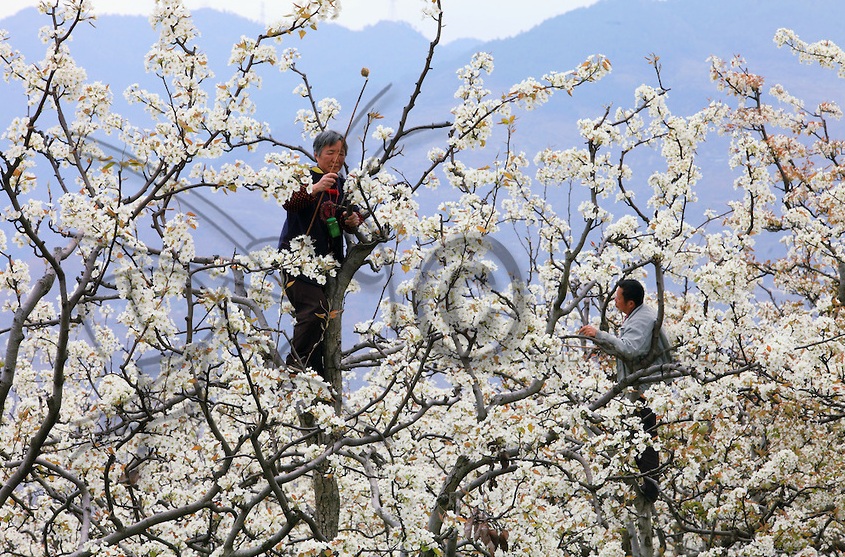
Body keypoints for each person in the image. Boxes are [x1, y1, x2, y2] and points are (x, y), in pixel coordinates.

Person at [578, 279, 673, 503]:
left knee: (644, 436)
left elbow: (630, 349)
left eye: (618, 297)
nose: (614, 300)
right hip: (642, 387)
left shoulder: (641, 319)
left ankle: (650, 489)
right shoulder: (639, 315)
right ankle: (645, 483)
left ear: (630, 303)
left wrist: (599, 335)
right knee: (636, 434)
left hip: (646, 390)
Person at [278, 130, 363, 379]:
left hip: (329, 264)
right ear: (317, 154)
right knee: (315, 308)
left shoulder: (342, 183)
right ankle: (296, 363)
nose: (336, 158)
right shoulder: (303, 177)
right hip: (298, 261)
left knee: (325, 319)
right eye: (330, 152)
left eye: (341, 153)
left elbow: (351, 218)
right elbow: (289, 202)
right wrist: (314, 188)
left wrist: (352, 219)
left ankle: (317, 374)